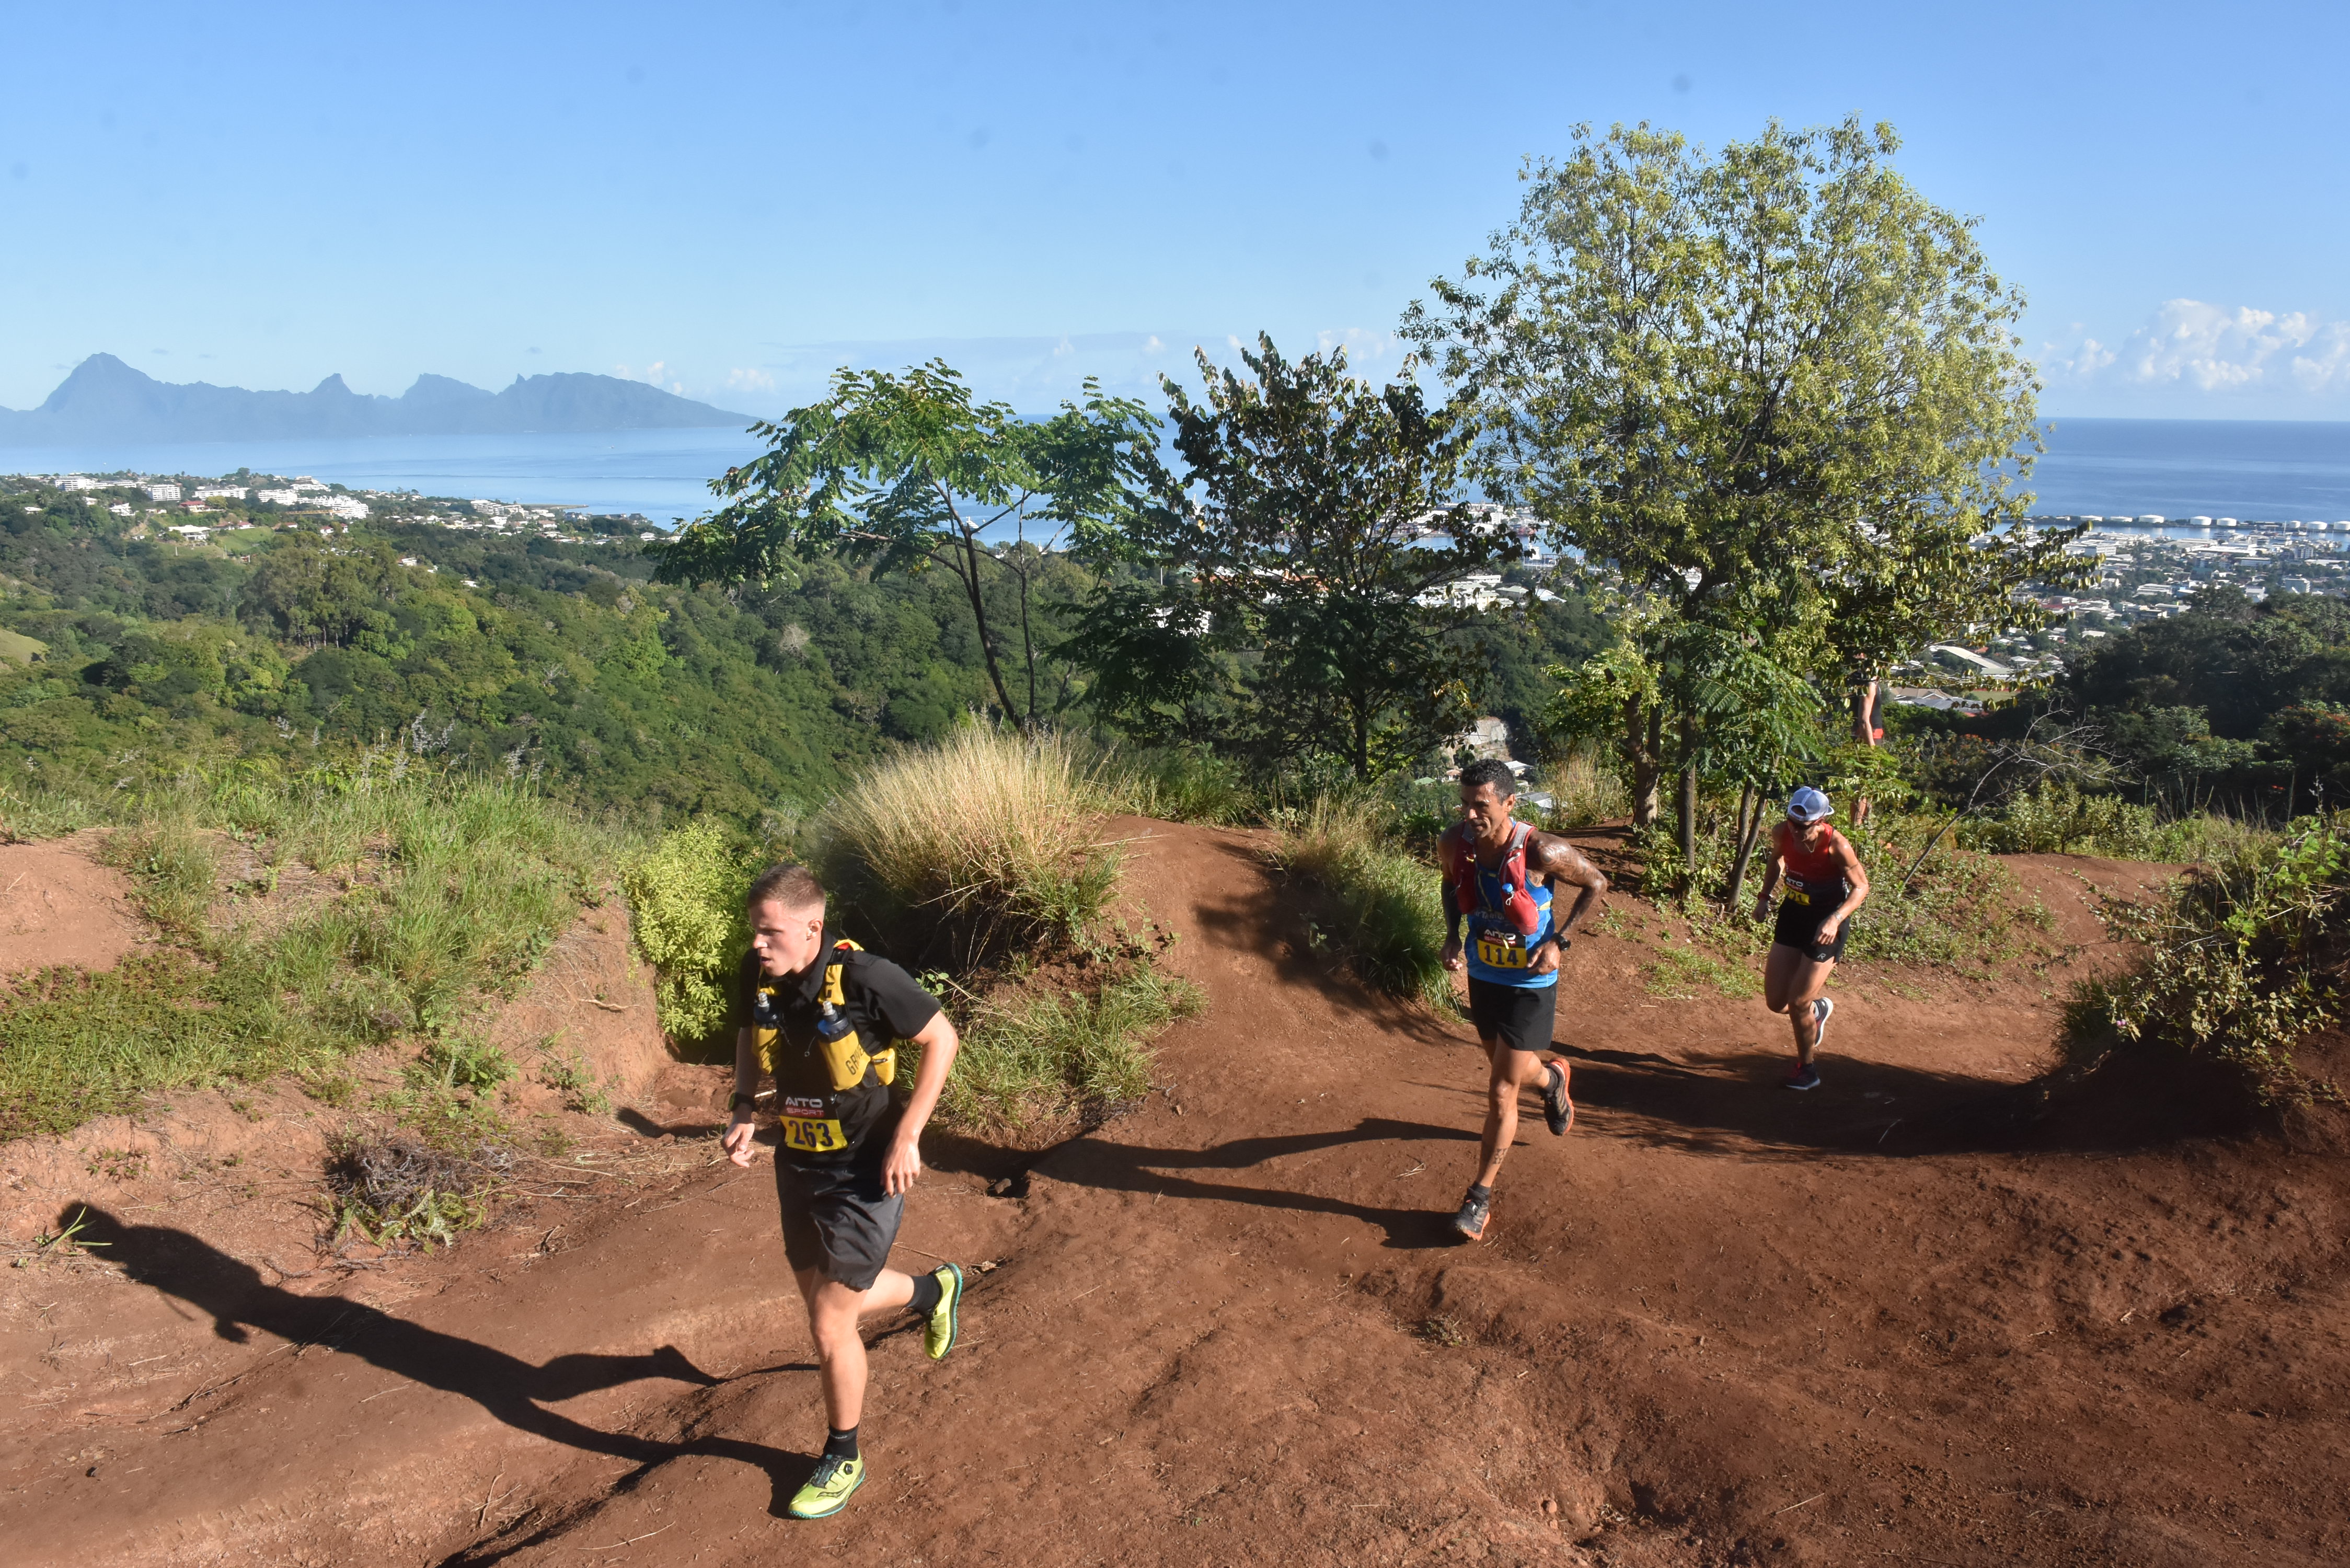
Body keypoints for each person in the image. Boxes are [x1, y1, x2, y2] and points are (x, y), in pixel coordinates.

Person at [721, 863, 965, 1520]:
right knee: (824, 1301)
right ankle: (931, 1290)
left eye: (770, 933)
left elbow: (941, 1037)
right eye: (754, 932)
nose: (757, 945)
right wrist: (743, 1107)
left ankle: (843, 1454)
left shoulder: (866, 977)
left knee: (830, 1318)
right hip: (799, 1162)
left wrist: (908, 1134)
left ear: (812, 928)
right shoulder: (759, 974)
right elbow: (750, 1036)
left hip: (867, 1168)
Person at [1438, 757, 1610, 1241]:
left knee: (1500, 1090)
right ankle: (1553, 1079)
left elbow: (1597, 884)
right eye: (1465, 804)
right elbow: (1451, 885)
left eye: (1482, 805)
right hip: (1487, 974)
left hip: (1531, 984)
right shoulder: (1456, 843)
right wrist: (1452, 936)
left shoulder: (1544, 852)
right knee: (1507, 1067)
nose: (1471, 816)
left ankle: (1479, 1198)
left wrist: (1560, 943)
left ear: (1510, 802)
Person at [1750, 787, 1870, 1091]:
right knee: (1777, 1003)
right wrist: (1764, 897)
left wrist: (1836, 918)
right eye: (1792, 823)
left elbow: (1861, 887)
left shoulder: (1837, 845)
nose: (1797, 831)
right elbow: (1776, 860)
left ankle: (1807, 1069)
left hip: (1826, 923)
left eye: (1804, 827)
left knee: (1798, 1001)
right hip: (1793, 915)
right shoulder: (1783, 832)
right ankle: (1818, 1012)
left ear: (1820, 822)